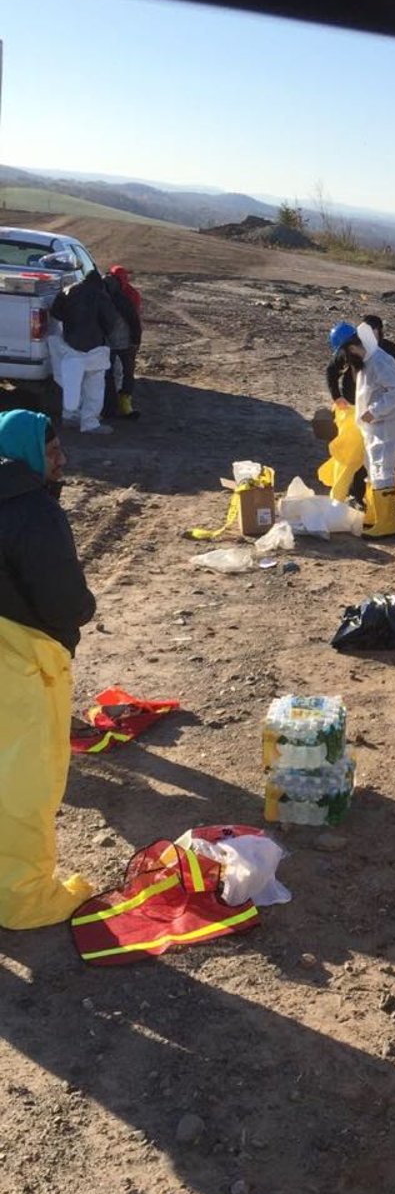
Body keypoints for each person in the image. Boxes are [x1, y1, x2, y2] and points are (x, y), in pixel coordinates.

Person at [0, 410, 97, 929]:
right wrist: (85, 609)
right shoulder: (32, 510)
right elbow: (63, 601)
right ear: (27, 454)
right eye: (53, 451)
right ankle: (23, 897)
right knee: (26, 778)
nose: (61, 462)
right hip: (23, 658)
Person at [328, 320, 395, 538]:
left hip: (385, 425)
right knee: (373, 470)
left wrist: (375, 411)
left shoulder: (379, 361)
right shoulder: (367, 360)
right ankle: (375, 516)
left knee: (383, 471)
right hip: (373, 426)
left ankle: (388, 524)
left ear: (352, 348)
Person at [49, 268, 120, 435]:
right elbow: (110, 322)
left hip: (70, 346)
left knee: (72, 384)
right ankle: (89, 422)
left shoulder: (68, 291)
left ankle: (70, 416)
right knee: (94, 386)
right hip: (94, 348)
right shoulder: (101, 296)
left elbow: (55, 312)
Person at [102, 265, 143, 420]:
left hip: (107, 343)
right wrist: (136, 340)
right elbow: (135, 320)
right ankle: (124, 405)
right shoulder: (130, 295)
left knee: (108, 374)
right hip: (126, 343)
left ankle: (109, 407)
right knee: (127, 373)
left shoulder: (102, 293)